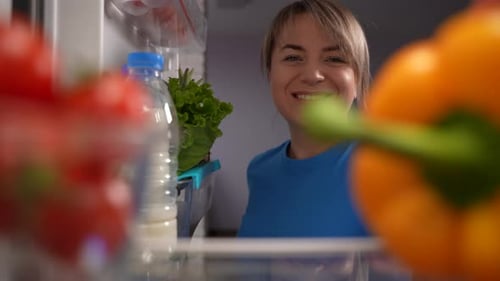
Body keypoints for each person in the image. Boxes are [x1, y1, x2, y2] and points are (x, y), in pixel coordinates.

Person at [238, 0, 371, 238]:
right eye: (293, 58)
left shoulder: (386, 168)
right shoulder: (259, 171)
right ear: (270, 73)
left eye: (334, 58)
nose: (313, 75)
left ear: (358, 81)